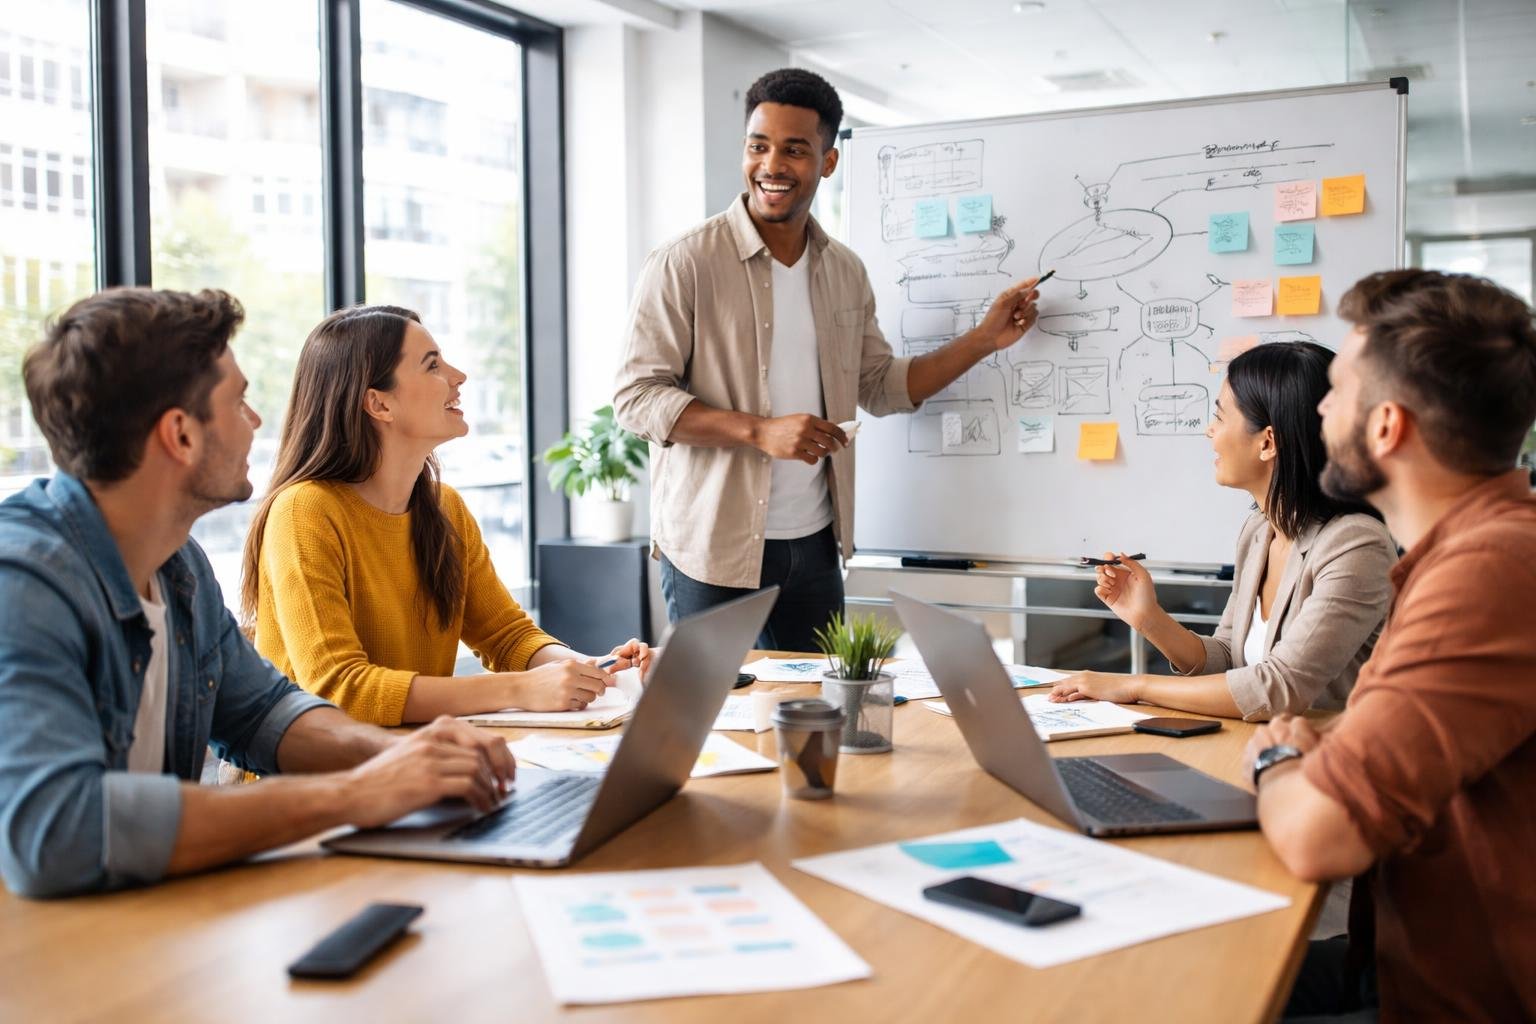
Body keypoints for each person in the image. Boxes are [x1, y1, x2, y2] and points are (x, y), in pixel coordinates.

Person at [0, 288, 516, 899]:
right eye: (238, 401)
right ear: (181, 436)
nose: (256, 421)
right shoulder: (24, 584)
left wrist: (411, 759)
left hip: (143, 917)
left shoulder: (178, 568)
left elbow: (262, 714)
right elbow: (57, 832)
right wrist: (356, 793)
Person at [613, 67, 1041, 651]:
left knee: (819, 723)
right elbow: (637, 399)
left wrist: (983, 340)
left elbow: (882, 385)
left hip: (815, 546)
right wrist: (759, 431)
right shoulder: (684, 262)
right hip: (712, 547)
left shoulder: (844, 271)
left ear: (828, 162)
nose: (771, 166)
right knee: (712, 721)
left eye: (794, 150)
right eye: (758, 146)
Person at [1242, 270, 1536, 1023]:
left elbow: (1319, 838)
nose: (1321, 410)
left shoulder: (1491, 572)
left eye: (1336, 391)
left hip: (1454, 1000)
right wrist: (1319, 746)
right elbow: (1379, 726)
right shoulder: (1458, 554)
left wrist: (1275, 761)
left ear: (1386, 427)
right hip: (1396, 957)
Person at [243, 305, 650, 727]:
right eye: (432, 365)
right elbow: (339, 689)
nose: (458, 376)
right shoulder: (304, 511)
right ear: (379, 403)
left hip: (406, 760)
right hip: (307, 781)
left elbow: (507, 636)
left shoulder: (445, 508)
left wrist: (595, 670)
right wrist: (519, 689)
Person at [1049, 341, 1396, 720]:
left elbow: (1279, 688)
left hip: (1331, 763)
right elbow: (1229, 661)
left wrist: (1134, 686)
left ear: (1267, 442)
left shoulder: (1356, 546)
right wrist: (1149, 619)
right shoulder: (1259, 531)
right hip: (1261, 749)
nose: (1209, 431)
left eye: (1220, 417)